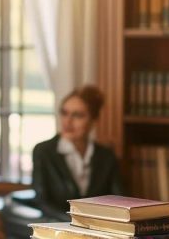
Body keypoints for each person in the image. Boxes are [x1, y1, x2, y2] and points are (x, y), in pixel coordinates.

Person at [31, 85, 124, 221]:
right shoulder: (43, 151)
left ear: (93, 121)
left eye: (77, 115)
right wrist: (76, 223)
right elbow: (43, 202)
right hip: (60, 227)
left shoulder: (106, 156)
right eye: (64, 113)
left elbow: (121, 201)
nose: (67, 121)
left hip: (100, 227)